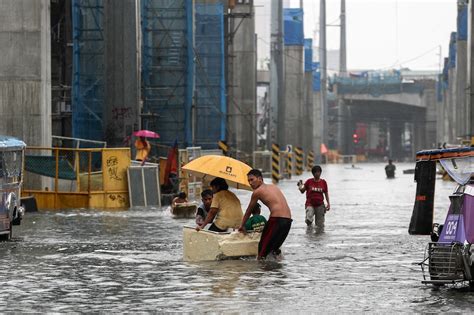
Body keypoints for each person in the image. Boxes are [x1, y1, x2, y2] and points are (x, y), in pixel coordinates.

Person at [239, 169, 292, 260]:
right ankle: (276, 272)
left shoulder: (257, 192)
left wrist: (242, 225)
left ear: (260, 179)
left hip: (277, 219)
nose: (250, 183)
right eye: (248, 181)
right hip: (288, 221)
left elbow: (249, 210)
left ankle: (261, 273)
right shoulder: (273, 186)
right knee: (274, 250)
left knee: (262, 253)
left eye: (252, 180)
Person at [298, 165, 330, 231]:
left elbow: (326, 193)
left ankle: (317, 239)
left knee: (320, 226)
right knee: (309, 219)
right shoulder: (309, 181)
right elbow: (302, 191)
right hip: (310, 204)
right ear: (313, 173)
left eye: (319, 172)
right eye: (316, 172)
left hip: (320, 205)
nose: (317, 174)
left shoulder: (323, 182)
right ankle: (309, 232)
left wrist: (328, 203)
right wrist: (300, 186)